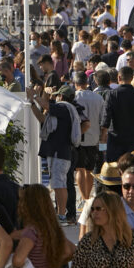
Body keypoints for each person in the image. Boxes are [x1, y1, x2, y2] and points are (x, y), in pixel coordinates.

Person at [29, 84, 81, 222]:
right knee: (57, 184)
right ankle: (61, 213)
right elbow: (42, 119)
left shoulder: (63, 107)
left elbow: (46, 106)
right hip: (57, 152)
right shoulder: (62, 110)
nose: (55, 97)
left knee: (59, 184)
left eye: (57, 95)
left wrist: (35, 95)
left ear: (61, 96)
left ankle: (62, 214)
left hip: (60, 152)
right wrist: (32, 103)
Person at [74, 71, 105, 206]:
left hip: (78, 138)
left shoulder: (74, 97)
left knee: (80, 169)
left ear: (76, 83)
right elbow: (103, 120)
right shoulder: (98, 98)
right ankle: (87, 196)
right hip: (94, 138)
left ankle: (84, 198)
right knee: (89, 170)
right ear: (87, 83)